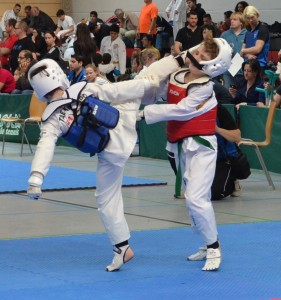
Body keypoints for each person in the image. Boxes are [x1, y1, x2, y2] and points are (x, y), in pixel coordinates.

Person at [26, 52, 184, 271]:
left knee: (106, 198)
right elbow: (116, 91)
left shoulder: (52, 119)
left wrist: (36, 177)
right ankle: (180, 60)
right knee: (145, 77)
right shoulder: (81, 88)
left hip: (110, 152)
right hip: (124, 125)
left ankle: (122, 247)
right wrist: (147, 85)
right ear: (59, 75)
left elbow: (45, 146)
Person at [138, 37, 232, 271]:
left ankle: (214, 246)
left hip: (201, 148)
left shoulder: (204, 88)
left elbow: (181, 110)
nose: (195, 56)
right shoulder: (177, 76)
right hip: (178, 145)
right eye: (198, 51)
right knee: (193, 198)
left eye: (202, 57)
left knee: (196, 198)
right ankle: (205, 242)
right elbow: (161, 95)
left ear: (211, 67)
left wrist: (144, 114)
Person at [211, 105, 242, 200]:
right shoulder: (188, 108)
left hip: (221, 158)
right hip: (197, 158)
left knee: (214, 194)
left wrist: (217, 129)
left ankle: (232, 179)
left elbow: (237, 137)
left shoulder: (219, 110)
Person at [221, 12, 247, 89]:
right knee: (228, 96)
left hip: (244, 72)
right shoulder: (224, 35)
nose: (232, 21)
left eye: (235, 19)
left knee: (242, 97)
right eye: (231, 19)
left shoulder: (248, 34)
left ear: (241, 22)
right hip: (228, 72)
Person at [240, 5, 269, 73]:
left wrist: (243, 51)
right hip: (247, 65)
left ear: (257, 15)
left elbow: (257, 49)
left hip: (260, 65)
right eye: (248, 18)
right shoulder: (248, 31)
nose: (250, 20)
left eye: (252, 17)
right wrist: (248, 54)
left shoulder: (262, 29)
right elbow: (242, 54)